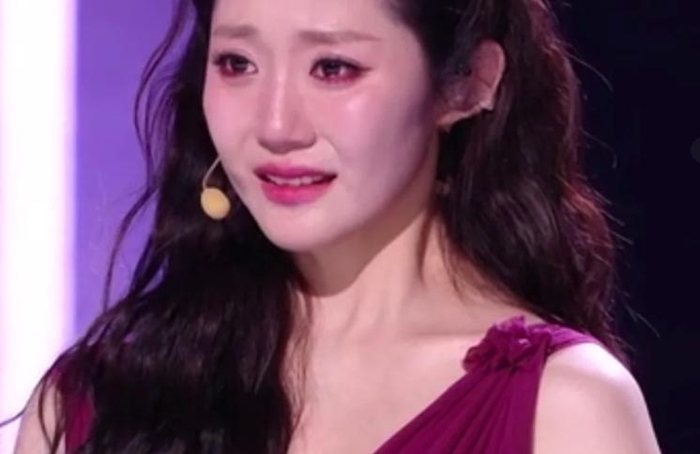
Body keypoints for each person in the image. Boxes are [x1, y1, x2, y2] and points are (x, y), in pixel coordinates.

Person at [11, 0, 661, 452]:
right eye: (237, 63)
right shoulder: (92, 405)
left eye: (332, 68)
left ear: (466, 83)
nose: (275, 125)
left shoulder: (561, 410)